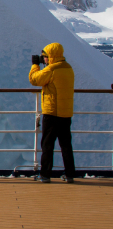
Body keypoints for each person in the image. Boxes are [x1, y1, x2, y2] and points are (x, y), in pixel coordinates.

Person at [29, 42, 76, 183]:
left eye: (45, 57)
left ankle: (45, 174)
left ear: (51, 56)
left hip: (52, 113)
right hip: (66, 113)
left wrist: (35, 65)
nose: (44, 59)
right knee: (66, 145)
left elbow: (34, 79)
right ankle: (69, 174)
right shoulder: (68, 68)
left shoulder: (52, 70)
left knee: (47, 145)